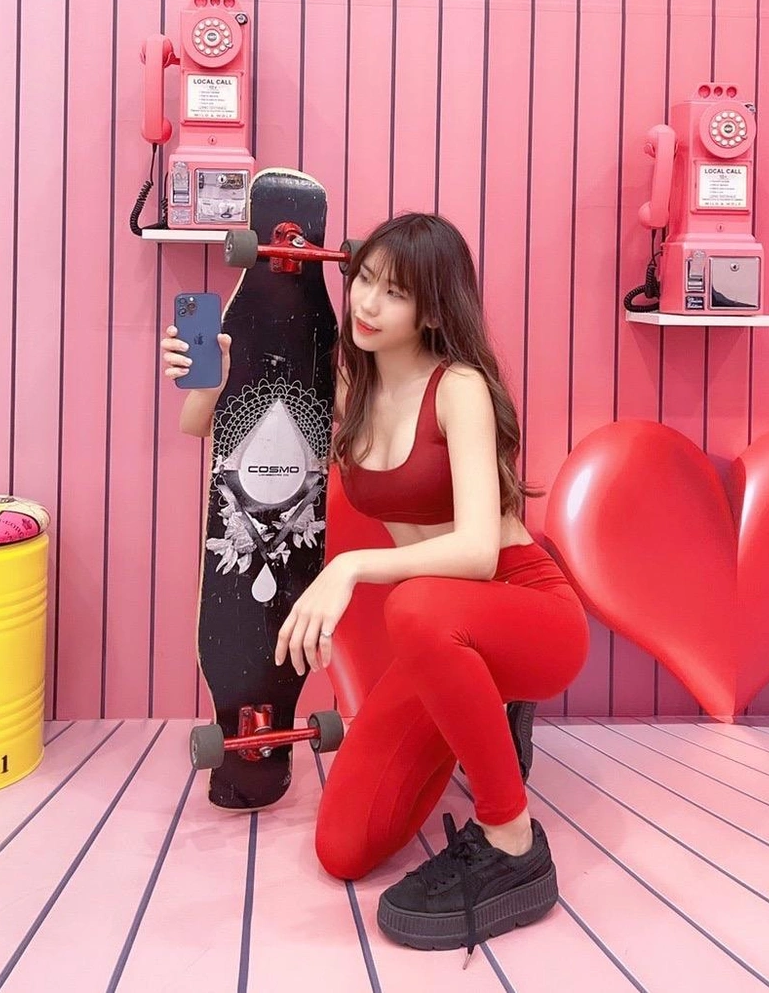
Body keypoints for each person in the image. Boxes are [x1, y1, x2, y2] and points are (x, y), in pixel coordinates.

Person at [160, 213, 589, 963]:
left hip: (527, 611)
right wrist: (208, 384)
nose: (366, 303)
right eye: (364, 280)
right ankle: (479, 699)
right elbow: (210, 429)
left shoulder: (458, 388)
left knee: (414, 605)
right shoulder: (348, 387)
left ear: (433, 309)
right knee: (343, 847)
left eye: (395, 292)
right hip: (438, 634)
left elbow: (478, 552)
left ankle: (512, 840)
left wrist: (350, 566)